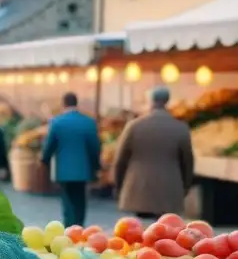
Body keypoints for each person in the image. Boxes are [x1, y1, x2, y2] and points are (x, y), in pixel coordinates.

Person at [114, 86, 194, 220]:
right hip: (170, 188)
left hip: (138, 189)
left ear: (150, 101)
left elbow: (120, 160)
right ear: (167, 101)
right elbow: (187, 161)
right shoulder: (180, 128)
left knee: (141, 231)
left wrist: (119, 185)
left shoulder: (134, 126)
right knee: (165, 229)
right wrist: (185, 187)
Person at [41, 93, 102, 228]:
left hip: (64, 170)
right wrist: (96, 166)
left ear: (64, 104)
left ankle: (69, 227)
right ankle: (79, 226)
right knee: (80, 199)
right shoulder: (89, 122)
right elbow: (95, 147)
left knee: (67, 200)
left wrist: (44, 160)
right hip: (83, 169)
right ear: (76, 103)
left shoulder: (57, 122)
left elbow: (50, 145)